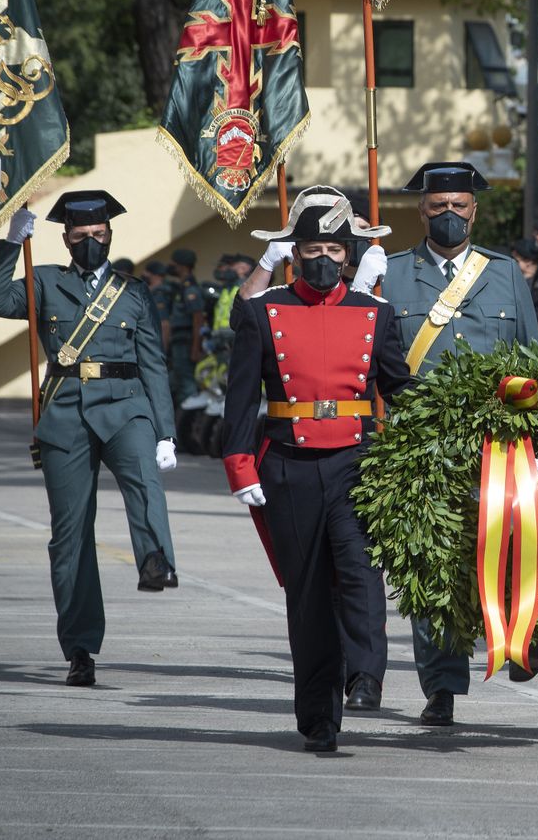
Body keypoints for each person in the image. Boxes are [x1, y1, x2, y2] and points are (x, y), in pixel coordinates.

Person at [352, 160, 538, 727]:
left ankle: (526, 635)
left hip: (497, 441)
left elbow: (534, 357)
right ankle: (441, 686)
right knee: (432, 566)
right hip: (417, 442)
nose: (451, 215)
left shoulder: (505, 273)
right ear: (421, 212)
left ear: (476, 210)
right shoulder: (392, 273)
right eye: (440, 208)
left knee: (513, 547)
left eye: (461, 206)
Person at [221, 187, 409, 752]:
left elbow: (400, 386)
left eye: (333, 247)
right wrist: (239, 465)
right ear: (294, 252)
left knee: (358, 570)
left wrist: (467, 412)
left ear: (349, 254)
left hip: (357, 460)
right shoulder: (262, 310)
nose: (322, 258)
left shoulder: (375, 313)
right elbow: (237, 397)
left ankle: (366, 673)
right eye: (311, 248)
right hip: (289, 462)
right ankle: (319, 718)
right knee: (306, 595)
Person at [0, 192, 178, 688]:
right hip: (67, 414)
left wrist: (165, 431)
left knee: (144, 480)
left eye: (98, 234)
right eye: (80, 235)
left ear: (110, 235)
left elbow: (153, 361)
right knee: (70, 538)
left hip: (126, 405)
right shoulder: (46, 281)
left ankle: (155, 560)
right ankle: (80, 647)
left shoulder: (132, 291)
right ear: (65, 238)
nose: (90, 242)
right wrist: (9, 244)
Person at [165, 248, 202, 405]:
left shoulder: (190, 289)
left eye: (175, 264)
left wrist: (195, 347)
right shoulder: (181, 288)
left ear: (183, 266)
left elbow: (198, 319)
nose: (171, 267)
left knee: (187, 383)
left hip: (186, 341)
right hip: (179, 341)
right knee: (177, 381)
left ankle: (191, 420)